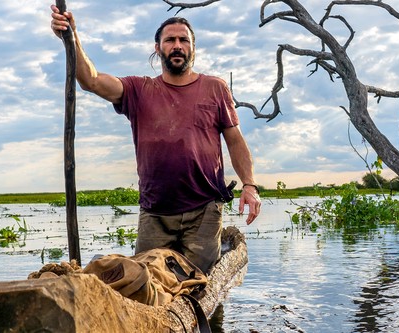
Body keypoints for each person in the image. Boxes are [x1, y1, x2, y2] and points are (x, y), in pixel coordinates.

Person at [50, 6, 261, 273]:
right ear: (157, 47)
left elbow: (235, 140)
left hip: (204, 213)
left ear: (193, 48)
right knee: (145, 285)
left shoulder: (215, 88)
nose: (177, 46)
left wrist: (250, 185)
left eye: (183, 40)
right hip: (155, 213)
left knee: (199, 286)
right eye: (170, 40)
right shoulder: (139, 90)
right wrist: (72, 38)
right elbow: (91, 81)